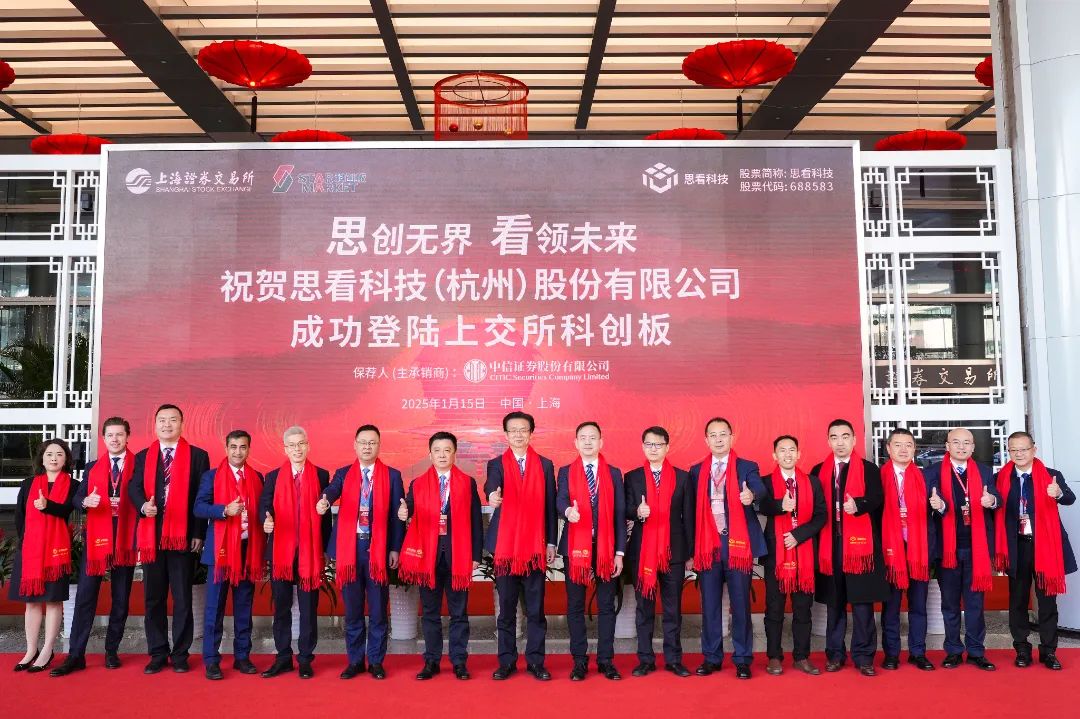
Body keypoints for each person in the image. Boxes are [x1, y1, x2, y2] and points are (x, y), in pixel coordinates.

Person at [128, 404, 211, 674]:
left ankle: (180, 654)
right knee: (153, 598)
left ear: (182, 424)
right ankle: (157, 652)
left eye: (173, 420)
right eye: (162, 420)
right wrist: (143, 506)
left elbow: (201, 496)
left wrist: (198, 532)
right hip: (151, 536)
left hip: (183, 537)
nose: (167, 424)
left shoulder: (198, 456)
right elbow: (134, 488)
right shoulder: (143, 457)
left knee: (183, 598)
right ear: (155, 425)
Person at [51, 418, 138, 676]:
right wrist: (85, 501)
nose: (115, 439)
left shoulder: (139, 465)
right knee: (86, 596)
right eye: (110, 435)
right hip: (98, 537)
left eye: (119, 435)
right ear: (103, 438)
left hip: (125, 535)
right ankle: (76, 655)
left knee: (121, 597)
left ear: (127, 436)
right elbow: (77, 498)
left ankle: (111, 651)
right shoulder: (92, 467)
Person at [319, 424, 404, 680]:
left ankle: (376, 661)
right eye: (363, 442)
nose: (367, 447)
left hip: (378, 549)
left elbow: (396, 517)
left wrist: (395, 548)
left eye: (372, 443)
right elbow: (333, 490)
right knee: (353, 610)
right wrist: (325, 499)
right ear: (355, 445)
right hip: (350, 549)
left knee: (378, 609)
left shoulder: (392, 476)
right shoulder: (344, 473)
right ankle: (355, 661)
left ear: (379, 446)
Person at [397, 431, 483, 680]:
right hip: (428, 557)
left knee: (459, 613)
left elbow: (476, 521)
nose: (442, 455)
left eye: (447, 450)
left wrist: (475, 555)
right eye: (437, 450)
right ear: (430, 454)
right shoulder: (418, 484)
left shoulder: (467, 483)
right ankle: (431, 661)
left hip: (458, 556)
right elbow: (408, 507)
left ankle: (459, 661)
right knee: (430, 612)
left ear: (454, 453)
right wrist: (404, 512)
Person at [686, 417, 766, 680]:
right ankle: (711, 657)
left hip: (737, 545)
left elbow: (760, 488)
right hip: (708, 545)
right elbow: (690, 512)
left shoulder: (747, 467)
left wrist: (751, 496)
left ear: (732, 437)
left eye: (723, 434)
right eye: (713, 435)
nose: (718, 439)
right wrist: (690, 551)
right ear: (706, 440)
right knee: (709, 605)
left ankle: (742, 659)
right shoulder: (697, 471)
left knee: (740, 605)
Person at [811, 418, 889, 677]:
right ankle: (835, 655)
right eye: (834, 437)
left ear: (854, 440)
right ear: (828, 441)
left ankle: (864, 656)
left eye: (845, 436)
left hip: (860, 547)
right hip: (830, 545)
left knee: (862, 604)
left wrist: (860, 505)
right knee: (834, 604)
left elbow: (877, 499)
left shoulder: (869, 469)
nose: (840, 442)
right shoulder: (818, 470)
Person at [484, 411, 558, 681]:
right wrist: (492, 496)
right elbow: (492, 486)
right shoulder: (496, 464)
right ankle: (506, 662)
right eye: (513, 430)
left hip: (535, 548)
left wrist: (551, 541)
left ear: (531, 433)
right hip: (506, 549)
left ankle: (536, 662)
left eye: (523, 429)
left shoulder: (545, 465)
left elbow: (550, 506)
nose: (518, 434)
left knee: (535, 610)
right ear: (505, 434)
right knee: (506, 609)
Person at [995, 431, 1076, 670]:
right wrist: (990, 503)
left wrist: (1058, 493)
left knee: (1047, 602)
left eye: (1024, 449)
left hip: (1045, 547)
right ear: (1009, 451)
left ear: (1034, 449)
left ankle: (1049, 651)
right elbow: (994, 507)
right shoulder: (1001, 477)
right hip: (1016, 546)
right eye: (1014, 450)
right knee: (1018, 601)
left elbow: (1070, 498)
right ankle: (1022, 649)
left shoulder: (1051, 475)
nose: (1019, 454)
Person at [259, 426, 332, 679]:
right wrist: (266, 521)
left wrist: (325, 548)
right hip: (282, 552)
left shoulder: (321, 475)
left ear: (308, 445)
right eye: (292, 445)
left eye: (301, 444)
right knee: (281, 607)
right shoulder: (272, 477)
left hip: (310, 552)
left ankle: (305, 659)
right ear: (285, 449)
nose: (297, 449)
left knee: (308, 607)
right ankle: (282, 657)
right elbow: (265, 507)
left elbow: (325, 517)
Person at [556, 421, 626, 681]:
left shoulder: (614, 473)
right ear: (575, 443)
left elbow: (620, 513)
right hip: (575, 548)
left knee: (606, 605)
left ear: (601, 442)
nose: (588, 442)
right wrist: (568, 511)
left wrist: (620, 552)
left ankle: (606, 660)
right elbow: (560, 500)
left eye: (593, 437)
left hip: (606, 549)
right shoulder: (565, 472)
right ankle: (579, 661)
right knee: (575, 605)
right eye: (583, 438)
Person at [194, 430, 265, 680]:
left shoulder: (257, 478)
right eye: (233, 447)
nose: (238, 452)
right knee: (214, 608)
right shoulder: (212, 476)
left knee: (244, 606)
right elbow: (199, 507)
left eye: (243, 447)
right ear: (226, 449)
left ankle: (242, 657)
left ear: (249, 450)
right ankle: (212, 660)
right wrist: (224, 510)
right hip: (221, 552)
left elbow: (262, 510)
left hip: (247, 550)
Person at [623, 426, 693, 678]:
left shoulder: (682, 478)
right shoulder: (632, 477)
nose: (653, 449)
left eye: (658, 444)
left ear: (667, 447)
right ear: (643, 446)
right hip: (643, 552)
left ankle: (673, 659)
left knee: (673, 609)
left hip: (673, 553)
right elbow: (625, 509)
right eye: (649, 444)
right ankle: (645, 659)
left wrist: (690, 554)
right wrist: (637, 512)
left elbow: (688, 518)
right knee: (644, 608)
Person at [927, 428, 1000, 671]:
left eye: (966, 443)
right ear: (947, 446)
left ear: (973, 447)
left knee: (975, 604)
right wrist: (938, 506)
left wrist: (992, 501)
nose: (961, 447)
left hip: (976, 549)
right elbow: (923, 508)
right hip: (947, 549)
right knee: (949, 604)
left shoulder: (985, 471)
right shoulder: (933, 472)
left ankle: (977, 652)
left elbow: (998, 498)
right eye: (956, 442)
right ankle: (953, 651)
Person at [757, 435, 826, 676]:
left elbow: (821, 515)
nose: (787, 454)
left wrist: (799, 535)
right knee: (774, 608)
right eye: (782, 450)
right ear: (774, 455)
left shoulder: (812, 483)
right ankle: (774, 657)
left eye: (792, 450)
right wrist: (780, 506)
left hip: (804, 551)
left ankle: (801, 656)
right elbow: (761, 506)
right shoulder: (765, 482)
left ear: (798, 454)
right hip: (776, 555)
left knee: (803, 608)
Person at [878, 427, 944, 671]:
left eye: (908, 445)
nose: (903, 449)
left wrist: (940, 505)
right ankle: (891, 654)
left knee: (918, 605)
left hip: (919, 550)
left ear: (915, 449)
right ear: (888, 449)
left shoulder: (926, 477)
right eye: (898, 445)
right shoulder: (878, 477)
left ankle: (918, 652)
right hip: (890, 550)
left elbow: (943, 506)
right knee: (891, 606)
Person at [10, 438, 77, 673]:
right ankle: (31, 650)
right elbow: (19, 516)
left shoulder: (73, 485)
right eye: (49, 454)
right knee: (31, 602)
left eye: (59, 454)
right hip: (31, 551)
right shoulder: (28, 483)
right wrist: (27, 542)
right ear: (42, 458)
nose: (54, 458)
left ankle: (47, 650)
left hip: (56, 553)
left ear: (66, 459)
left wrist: (47, 505)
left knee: (53, 600)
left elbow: (67, 510)